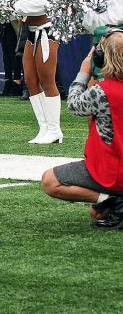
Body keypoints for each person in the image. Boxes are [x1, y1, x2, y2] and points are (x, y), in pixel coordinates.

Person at [41, 30, 123, 228]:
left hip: (111, 170)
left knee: (50, 181)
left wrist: (83, 73)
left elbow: (74, 104)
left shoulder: (102, 92)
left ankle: (112, 200)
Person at [16, 0, 64, 145]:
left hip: (47, 31)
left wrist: (18, 6)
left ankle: (55, 130)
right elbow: (24, 1)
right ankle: (43, 127)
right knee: (30, 78)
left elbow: (42, 4)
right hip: (32, 32)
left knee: (47, 79)